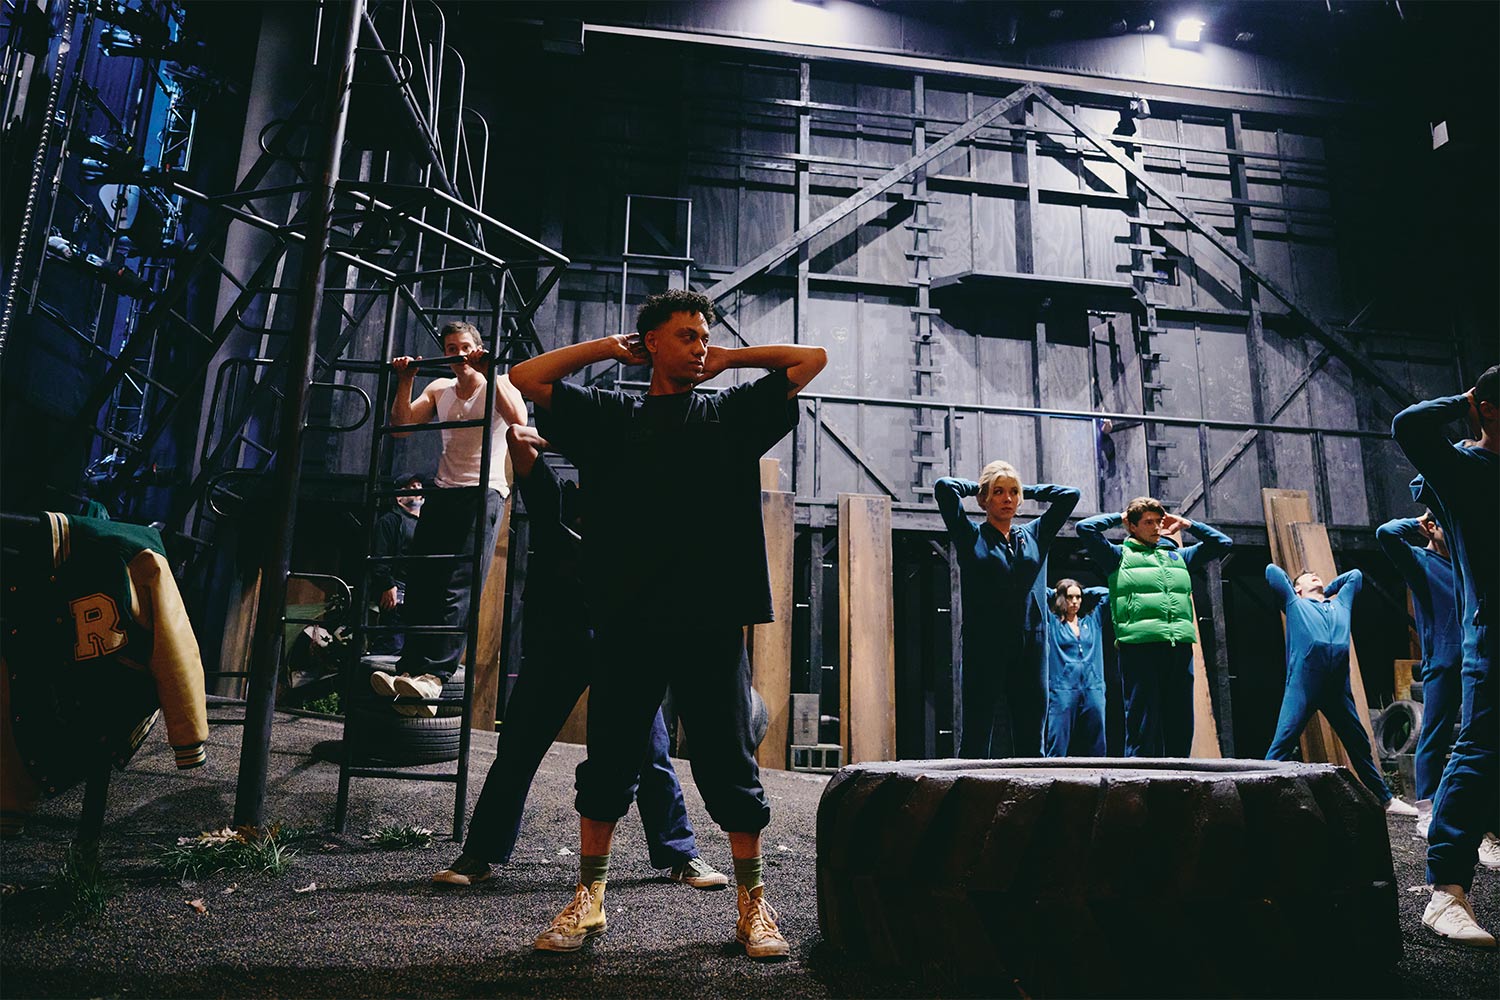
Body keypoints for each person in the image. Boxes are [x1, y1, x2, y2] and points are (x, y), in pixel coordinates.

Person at [508, 288, 826, 960]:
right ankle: (588, 901)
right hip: (627, 619)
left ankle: (753, 909)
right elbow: (526, 378)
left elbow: (809, 360)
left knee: (729, 766)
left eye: (703, 334)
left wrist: (729, 358)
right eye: (685, 335)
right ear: (651, 341)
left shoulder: (731, 413)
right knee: (609, 763)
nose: (699, 344)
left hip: (711, 619)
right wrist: (606, 346)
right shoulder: (611, 417)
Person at [430, 424, 727, 891]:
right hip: (558, 641)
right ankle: (479, 854)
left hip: (625, 646)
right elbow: (518, 439)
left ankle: (680, 854)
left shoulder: (641, 511)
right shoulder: (557, 497)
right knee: (518, 748)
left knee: (651, 755)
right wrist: (591, 438)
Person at [1392, 365, 1499, 948]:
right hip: (1491, 633)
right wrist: (1465, 398)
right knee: (1478, 747)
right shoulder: (1462, 469)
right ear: (1486, 409)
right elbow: (1407, 425)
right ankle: (1446, 893)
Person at [369, 321, 525, 716]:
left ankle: (435, 677)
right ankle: (410, 671)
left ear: (477, 348)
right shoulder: (439, 389)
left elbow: (520, 418)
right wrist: (406, 380)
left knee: (457, 584)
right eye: (450, 347)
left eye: (464, 346)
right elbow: (402, 429)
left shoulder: (497, 382)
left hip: (482, 492)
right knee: (423, 579)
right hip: (444, 490)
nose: (457, 353)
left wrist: (490, 370)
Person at [934, 468, 1079, 757]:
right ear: (984, 499)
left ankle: (1034, 799)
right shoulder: (970, 535)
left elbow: (1069, 496)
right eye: (998, 492)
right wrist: (983, 484)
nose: (1007, 499)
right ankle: (971, 798)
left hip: (1033, 643)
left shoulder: (1036, 533)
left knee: (1031, 740)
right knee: (976, 736)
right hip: (984, 643)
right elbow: (944, 487)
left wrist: (1025, 486)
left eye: (1013, 492)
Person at [1076, 499, 1231, 757]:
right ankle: (1136, 783)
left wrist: (1187, 524)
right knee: (1142, 724)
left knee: (1180, 724)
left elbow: (1222, 543)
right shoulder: (1117, 556)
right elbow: (1085, 528)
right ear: (1132, 526)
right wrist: (1120, 515)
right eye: (1148, 522)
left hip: (1178, 645)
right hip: (1139, 648)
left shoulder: (1177, 556)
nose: (1156, 526)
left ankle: (1181, 781)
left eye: (1158, 521)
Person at [1262, 564, 1417, 817]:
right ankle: (1260, 794)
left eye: (1316, 574)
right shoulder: (1294, 604)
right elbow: (1271, 571)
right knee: (1283, 742)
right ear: (1297, 588)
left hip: (1336, 689)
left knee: (1358, 743)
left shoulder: (1340, 605)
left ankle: (1386, 799)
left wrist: (1327, 590)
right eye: (1307, 577)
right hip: (1304, 684)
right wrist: (1296, 589)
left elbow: (1355, 576)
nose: (1315, 575)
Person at [1376, 501, 1463, 836]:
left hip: (1474, 662)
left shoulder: (1462, 566)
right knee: (1435, 737)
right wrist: (1419, 520)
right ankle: (1426, 811)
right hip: (1442, 662)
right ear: (1430, 529)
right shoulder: (1420, 561)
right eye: (1443, 528)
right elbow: (1386, 534)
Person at [1042, 579, 1110, 757]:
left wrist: (1085, 591)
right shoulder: (1054, 623)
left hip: (1092, 686)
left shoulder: (1092, 622)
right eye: (1070, 597)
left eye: (1078, 597)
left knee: (1097, 741)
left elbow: (1108, 595)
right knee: (1057, 741)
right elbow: (1040, 594)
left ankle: (1098, 781)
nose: (1074, 601)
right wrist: (1056, 592)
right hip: (1063, 688)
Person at [366, 472, 423, 656]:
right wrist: (387, 584)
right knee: (392, 644)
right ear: (399, 497)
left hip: (417, 592)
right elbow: (379, 556)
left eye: (419, 487)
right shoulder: (389, 521)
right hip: (397, 591)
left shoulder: (424, 524)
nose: (418, 491)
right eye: (412, 487)